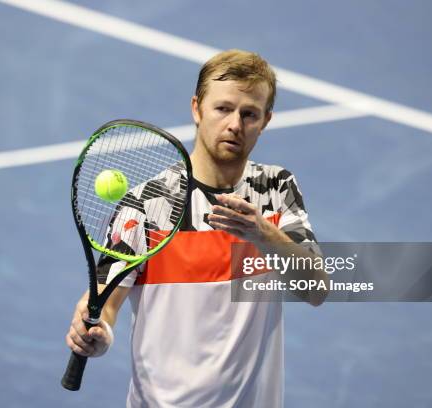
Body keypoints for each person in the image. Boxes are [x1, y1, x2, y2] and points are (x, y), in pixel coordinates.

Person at [66, 49, 328, 407]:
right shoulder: (147, 204)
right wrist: (99, 332)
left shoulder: (276, 189)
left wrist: (263, 234)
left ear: (265, 121)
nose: (235, 124)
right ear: (197, 109)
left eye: (249, 114)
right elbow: (104, 301)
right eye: (223, 108)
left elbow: (316, 290)